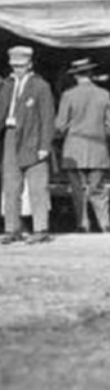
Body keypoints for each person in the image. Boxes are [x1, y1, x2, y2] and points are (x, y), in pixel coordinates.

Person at [55, 58, 110, 234]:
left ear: (75, 76)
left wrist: (68, 129)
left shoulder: (68, 95)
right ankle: (106, 224)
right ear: (91, 74)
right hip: (98, 147)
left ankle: (83, 225)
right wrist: (99, 132)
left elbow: (60, 125)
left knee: (78, 190)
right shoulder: (104, 94)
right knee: (98, 188)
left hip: (74, 149)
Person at [0, 46, 56, 244]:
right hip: (9, 137)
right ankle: (11, 228)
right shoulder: (6, 85)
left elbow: (48, 118)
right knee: (11, 186)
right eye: (14, 66)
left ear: (30, 65)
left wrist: (44, 146)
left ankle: (41, 228)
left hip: (33, 139)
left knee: (37, 187)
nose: (17, 70)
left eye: (21, 66)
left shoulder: (41, 86)